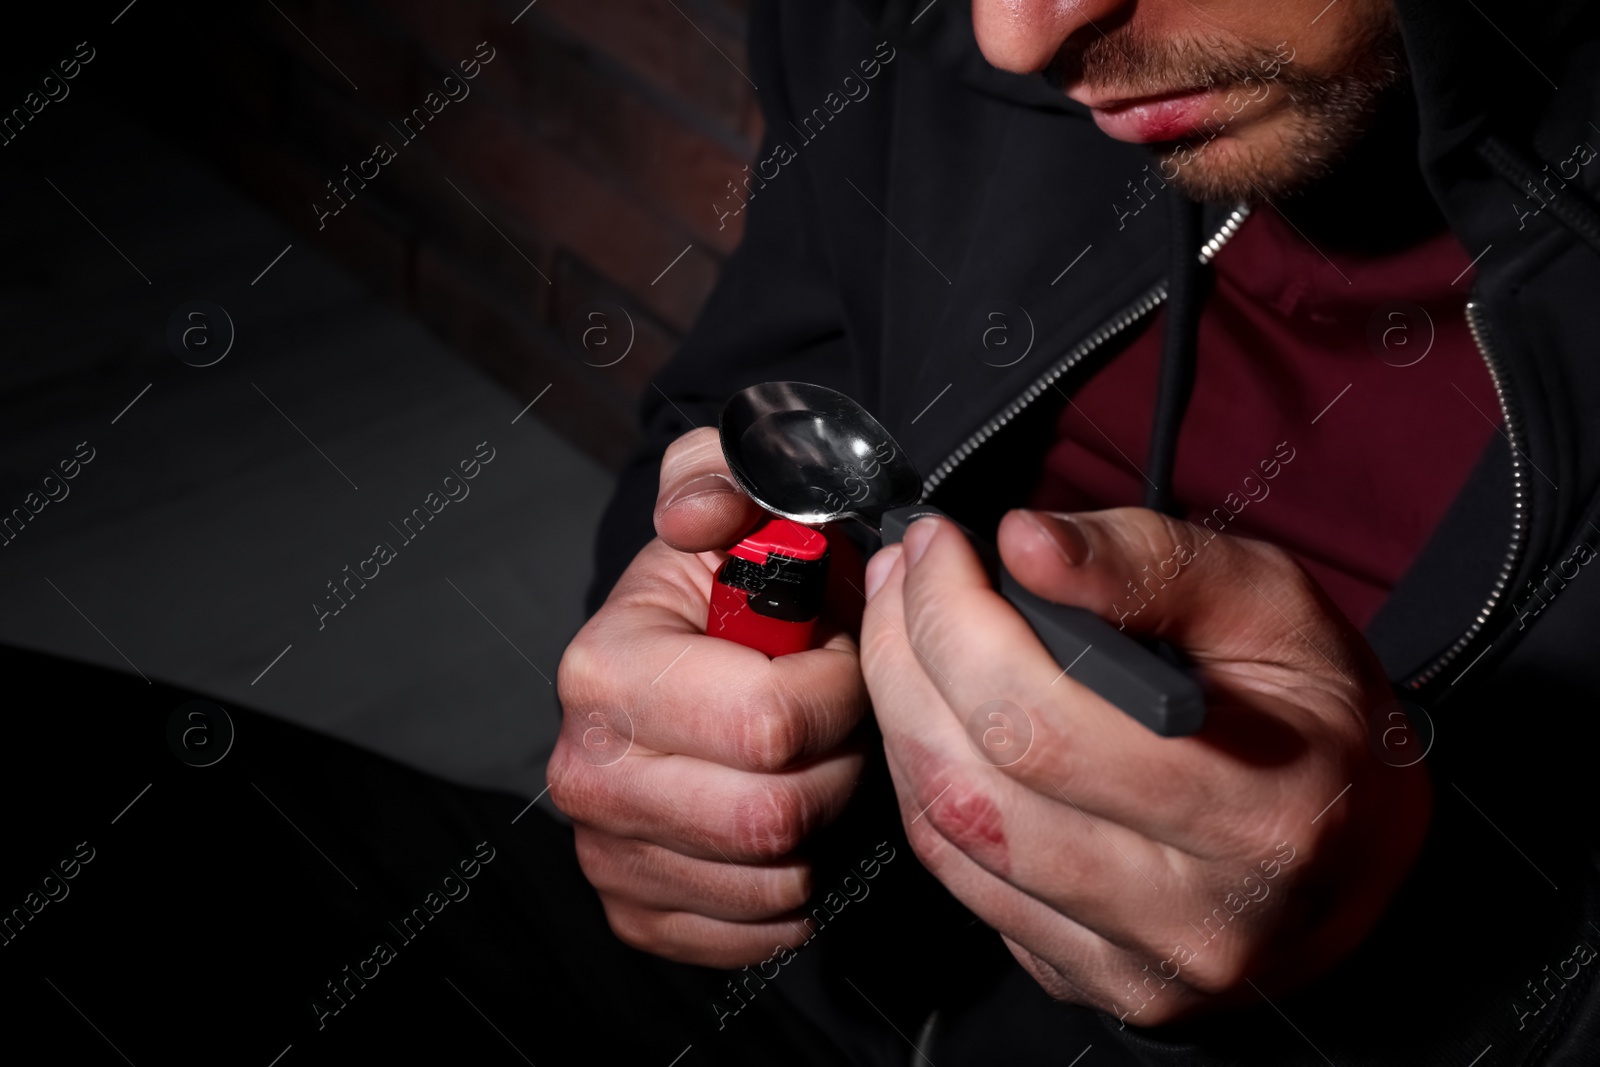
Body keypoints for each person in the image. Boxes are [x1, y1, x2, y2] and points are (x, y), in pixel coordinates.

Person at [552, 0, 1600, 1063]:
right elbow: (748, 401)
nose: (1015, 38)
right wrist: (686, 721)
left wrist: (1399, 938)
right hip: (806, 976)